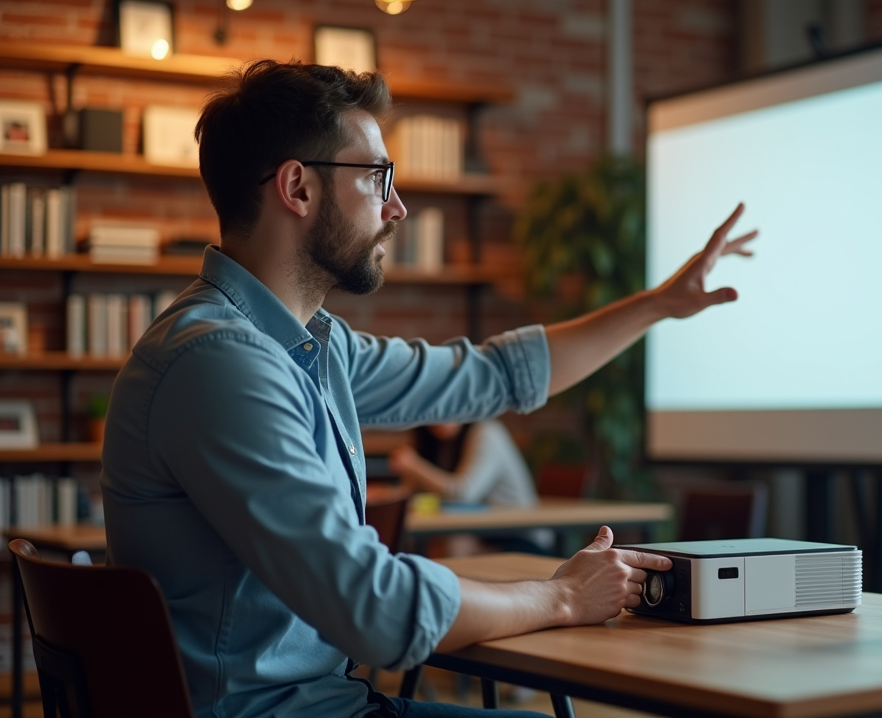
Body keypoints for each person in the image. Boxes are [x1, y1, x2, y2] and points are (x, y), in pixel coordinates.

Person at [100, 60, 756, 718]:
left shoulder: (308, 347)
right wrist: (560, 597)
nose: (397, 206)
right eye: (376, 176)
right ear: (297, 188)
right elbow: (375, 608)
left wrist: (659, 305)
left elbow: (493, 376)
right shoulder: (221, 364)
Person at [391, 421, 554, 554]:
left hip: (518, 538)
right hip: (479, 532)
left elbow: (463, 493)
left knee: (452, 544)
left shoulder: (487, 432)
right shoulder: (434, 440)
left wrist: (415, 466)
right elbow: (417, 493)